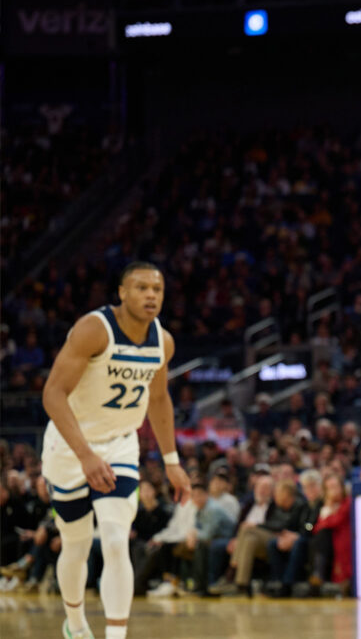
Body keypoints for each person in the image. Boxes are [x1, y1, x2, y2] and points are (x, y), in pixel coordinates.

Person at [40, 262, 191, 639]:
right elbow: (53, 394)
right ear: (122, 293)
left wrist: (172, 462)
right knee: (75, 544)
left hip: (120, 444)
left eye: (157, 289)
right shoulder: (94, 329)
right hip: (70, 445)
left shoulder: (163, 342)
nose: (151, 295)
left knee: (114, 538)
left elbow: (159, 399)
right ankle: (76, 625)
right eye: (141, 288)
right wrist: (85, 456)